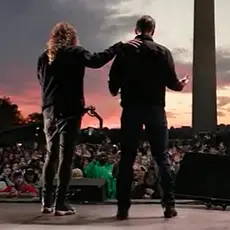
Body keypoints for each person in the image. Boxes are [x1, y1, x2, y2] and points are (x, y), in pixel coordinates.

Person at [37, 21, 141, 216]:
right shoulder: (75, 52)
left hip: (49, 110)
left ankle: (46, 202)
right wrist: (118, 46)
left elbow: (42, 82)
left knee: (51, 156)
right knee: (66, 158)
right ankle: (61, 203)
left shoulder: (44, 57)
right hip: (70, 109)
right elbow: (96, 60)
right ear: (71, 37)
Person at [108, 15, 189, 220]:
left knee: (127, 159)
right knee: (161, 157)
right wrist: (182, 83)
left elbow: (112, 87)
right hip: (155, 109)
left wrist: (122, 87)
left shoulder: (125, 51)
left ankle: (123, 208)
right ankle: (169, 206)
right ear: (153, 30)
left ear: (136, 30)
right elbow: (173, 84)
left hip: (131, 110)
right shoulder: (162, 52)